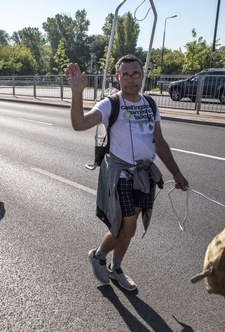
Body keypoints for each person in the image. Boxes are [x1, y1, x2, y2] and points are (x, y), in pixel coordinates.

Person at [66, 55, 189, 291]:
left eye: (135, 74)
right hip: (120, 172)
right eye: (125, 74)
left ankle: (116, 267)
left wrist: (177, 173)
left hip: (144, 174)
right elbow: (79, 124)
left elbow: (159, 142)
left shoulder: (150, 104)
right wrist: (77, 93)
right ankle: (99, 254)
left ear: (142, 76)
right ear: (117, 77)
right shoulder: (110, 104)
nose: (130, 79)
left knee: (128, 229)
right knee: (128, 226)